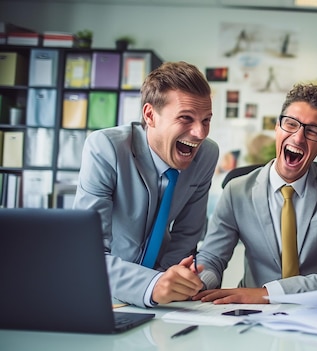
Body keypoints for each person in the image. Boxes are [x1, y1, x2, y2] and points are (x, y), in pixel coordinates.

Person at [192, 83, 317, 304]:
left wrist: (270, 293)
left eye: (312, 131)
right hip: (253, 314)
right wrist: (199, 281)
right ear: (277, 127)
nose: (298, 138)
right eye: (291, 124)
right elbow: (212, 259)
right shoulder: (235, 191)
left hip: (316, 310)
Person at [73, 61, 219, 307]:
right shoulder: (106, 148)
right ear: (150, 115)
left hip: (164, 298)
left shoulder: (206, 154)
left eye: (206, 120)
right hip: (105, 289)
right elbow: (88, 254)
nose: (200, 133)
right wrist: (152, 285)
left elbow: (187, 235)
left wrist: (168, 280)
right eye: (186, 118)